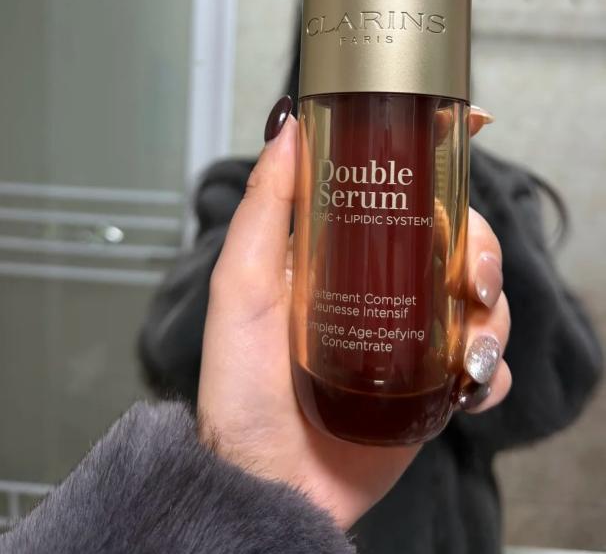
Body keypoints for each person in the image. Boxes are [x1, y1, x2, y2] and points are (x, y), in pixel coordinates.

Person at [138, 43, 603, 554]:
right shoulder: (248, 188)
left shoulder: (495, 187)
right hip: (282, 516)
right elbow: (170, 357)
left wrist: (452, 168)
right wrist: (302, 197)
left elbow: (560, 387)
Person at [1, 102, 513, 553]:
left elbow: (542, 390)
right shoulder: (246, 188)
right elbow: (168, 346)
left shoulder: (471, 182)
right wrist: (252, 476)